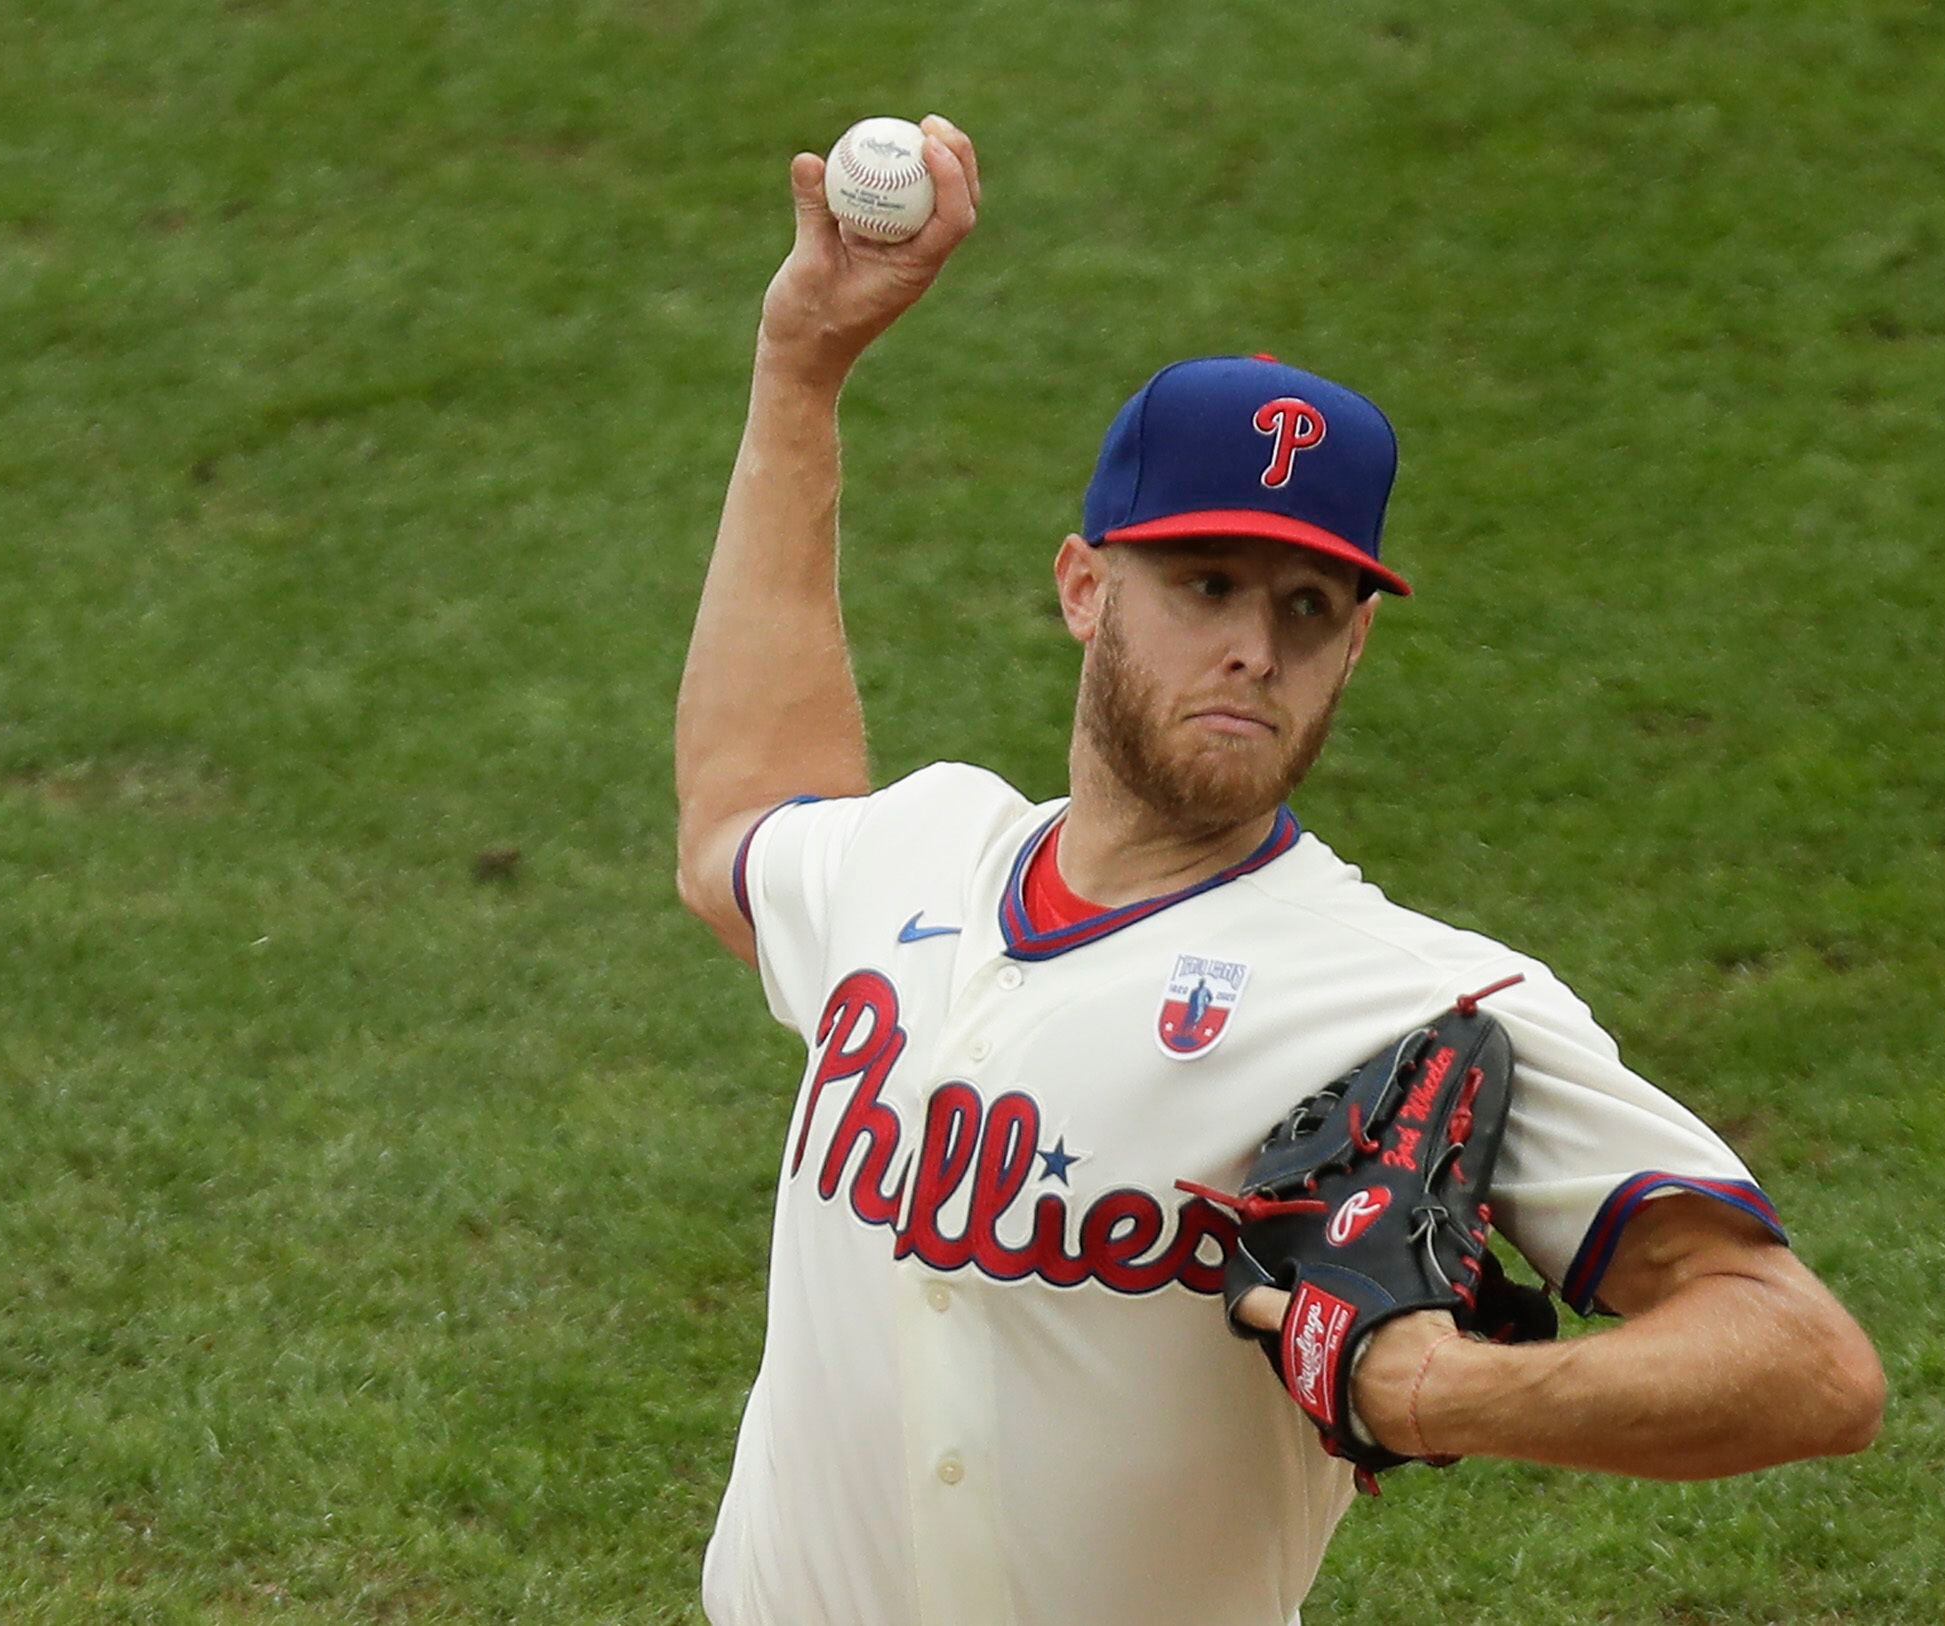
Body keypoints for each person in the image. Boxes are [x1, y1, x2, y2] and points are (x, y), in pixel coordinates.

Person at [676, 115, 1884, 1626]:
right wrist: (801, 368)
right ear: (1082, 588)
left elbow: (1804, 1360)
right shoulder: (917, 851)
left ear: (1355, 642)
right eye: (1204, 585)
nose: (1256, 642)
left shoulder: (1416, 997)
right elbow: (741, 812)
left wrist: (1442, 1387)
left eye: (1312, 605)